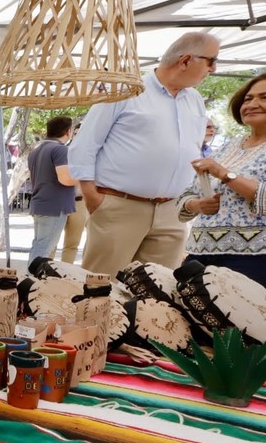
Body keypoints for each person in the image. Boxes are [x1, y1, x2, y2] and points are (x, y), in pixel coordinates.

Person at [69, 33, 217, 275]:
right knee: (103, 290)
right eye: (211, 61)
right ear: (186, 60)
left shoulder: (195, 99)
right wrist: (92, 197)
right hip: (119, 206)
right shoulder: (127, 89)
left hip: (172, 212)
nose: (213, 69)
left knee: (157, 293)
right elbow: (86, 144)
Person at [177, 74, 266, 279]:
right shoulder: (228, 146)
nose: (253, 104)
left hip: (254, 260)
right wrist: (197, 205)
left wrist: (225, 174)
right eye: (248, 99)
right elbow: (187, 195)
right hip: (201, 255)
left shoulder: (219, 161)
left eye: (264, 97)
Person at [26, 116, 77, 269]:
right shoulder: (60, 149)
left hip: (39, 203)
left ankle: (29, 280)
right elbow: (65, 179)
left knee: (39, 245)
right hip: (54, 206)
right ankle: (31, 283)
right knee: (44, 249)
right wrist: (85, 177)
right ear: (68, 132)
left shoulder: (35, 151)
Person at [59, 117, 88, 263]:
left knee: (74, 244)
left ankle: (67, 274)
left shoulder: (92, 152)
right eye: (76, 132)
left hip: (83, 202)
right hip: (66, 200)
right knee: (55, 243)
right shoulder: (64, 151)